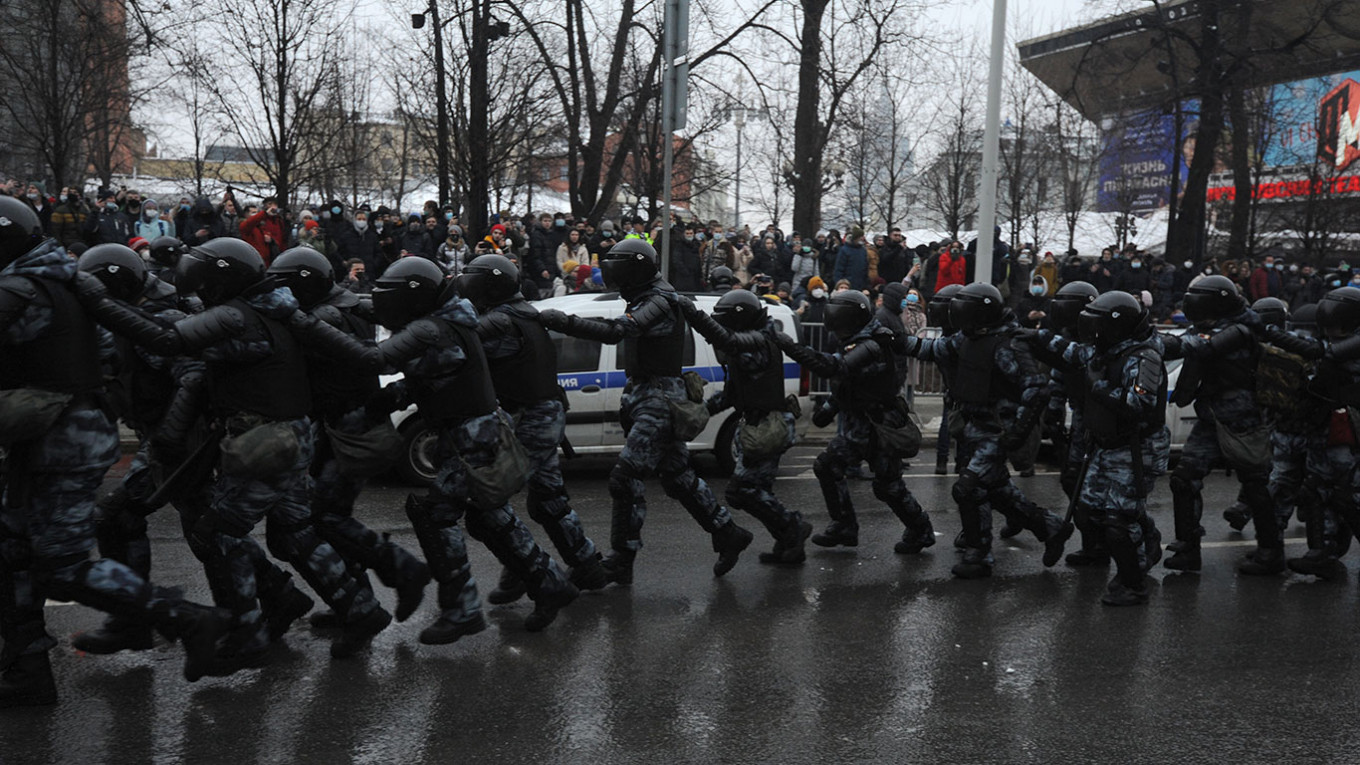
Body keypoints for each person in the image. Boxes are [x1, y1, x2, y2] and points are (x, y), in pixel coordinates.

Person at [78, 237, 394, 668]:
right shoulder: (276, 310)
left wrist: (98, 302)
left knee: (218, 532)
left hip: (267, 439)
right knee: (296, 530)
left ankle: (246, 633)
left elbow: (170, 341)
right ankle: (359, 610)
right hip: (287, 436)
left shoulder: (237, 316)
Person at [0, 197, 229, 706]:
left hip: (62, 443)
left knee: (62, 562)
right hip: (52, 436)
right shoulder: (57, 279)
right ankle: (26, 669)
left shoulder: (24, 287)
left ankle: (190, 619)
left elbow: (162, 358)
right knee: (13, 552)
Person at [362, 257, 579, 640]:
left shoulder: (441, 328)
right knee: (488, 515)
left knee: (435, 515)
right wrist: (383, 401)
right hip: (468, 434)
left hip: (473, 437)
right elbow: (430, 379)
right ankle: (549, 583)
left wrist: (306, 327)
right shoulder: (454, 322)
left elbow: (383, 360)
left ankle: (463, 609)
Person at [538, 239, 755, 584]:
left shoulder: (656, 300)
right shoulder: (656, 295)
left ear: (633, 269)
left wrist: (562, 322)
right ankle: (728, 533)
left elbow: (617, 332)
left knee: (625, 478)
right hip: (650, 394)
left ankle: (622, 559)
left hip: (658, 398)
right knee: (678, 476)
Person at [266, 248, 432, 627]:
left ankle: (401, 570)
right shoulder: (346, 307)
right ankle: (358, 598)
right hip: (341, 427)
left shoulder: (328, 316)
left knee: (324, 519)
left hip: (348, 429)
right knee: (330, 517)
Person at [455, 254, 608, 603]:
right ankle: (586, 565)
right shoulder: (523, 313)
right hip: (542, 414)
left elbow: (463, 352)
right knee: (548, 499)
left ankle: (524, 569)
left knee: (490, 504)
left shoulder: (502, 322)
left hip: (532, 419)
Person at [903, 283, 1071, 578]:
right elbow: (928, 349)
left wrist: (1017, 432)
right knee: (994, 491)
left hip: (998, 430)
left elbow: (1036, 389)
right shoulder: (968, 338)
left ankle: (979, 555)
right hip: (975, 427)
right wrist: (890, 339)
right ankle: (1050, 526)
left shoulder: (1007, 344)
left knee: (967, 487)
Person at [772, 290, 934, 554]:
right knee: (829, 467)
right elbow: (852, 383)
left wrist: (790, 346)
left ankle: (920, 529)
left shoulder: (872, 344)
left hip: (879, 428)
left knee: (888, 487)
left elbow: (836, 369)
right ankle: (845, 525)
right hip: (859, 426)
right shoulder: (856, 340)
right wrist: (829, 407)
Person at [1044, 291, 1169, 605]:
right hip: (1106, 444)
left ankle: (1133, 582)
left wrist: (1100, 388)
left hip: (1136, 448)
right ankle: (1143, 543)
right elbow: (1073, 353)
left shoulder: (1143, 357)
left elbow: (1139, 404)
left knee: (1118, 521)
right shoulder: (1107, 350)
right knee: (1091, 511)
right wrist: (1035, 337)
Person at [1160, 275, 1279, 574]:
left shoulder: (1239, 330)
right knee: (1184, 479)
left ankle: (1271, 551)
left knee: (1254, 485)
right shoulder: (1209, 327)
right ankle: (1188, 547)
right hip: (1212, 418)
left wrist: (1152, 341)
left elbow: (1198, 348)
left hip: (1242, 418)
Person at [685, 291, 809, 564]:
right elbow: (731, 395)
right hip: (759, 425)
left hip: (768, 427)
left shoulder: (757, 346)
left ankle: (792, 527)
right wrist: (701, 412)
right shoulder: (749, 348)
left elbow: (731, 346)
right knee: (757, 491)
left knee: (742, 491)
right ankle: (790, 542)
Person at [239, 196, 288, 266]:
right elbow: (250, 222)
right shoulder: (246, 226)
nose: (255, 215)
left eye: (256, 212)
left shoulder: (262, 226)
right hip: (253, 261)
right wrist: (264, 214)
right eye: (253, 213)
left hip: (267, 261)